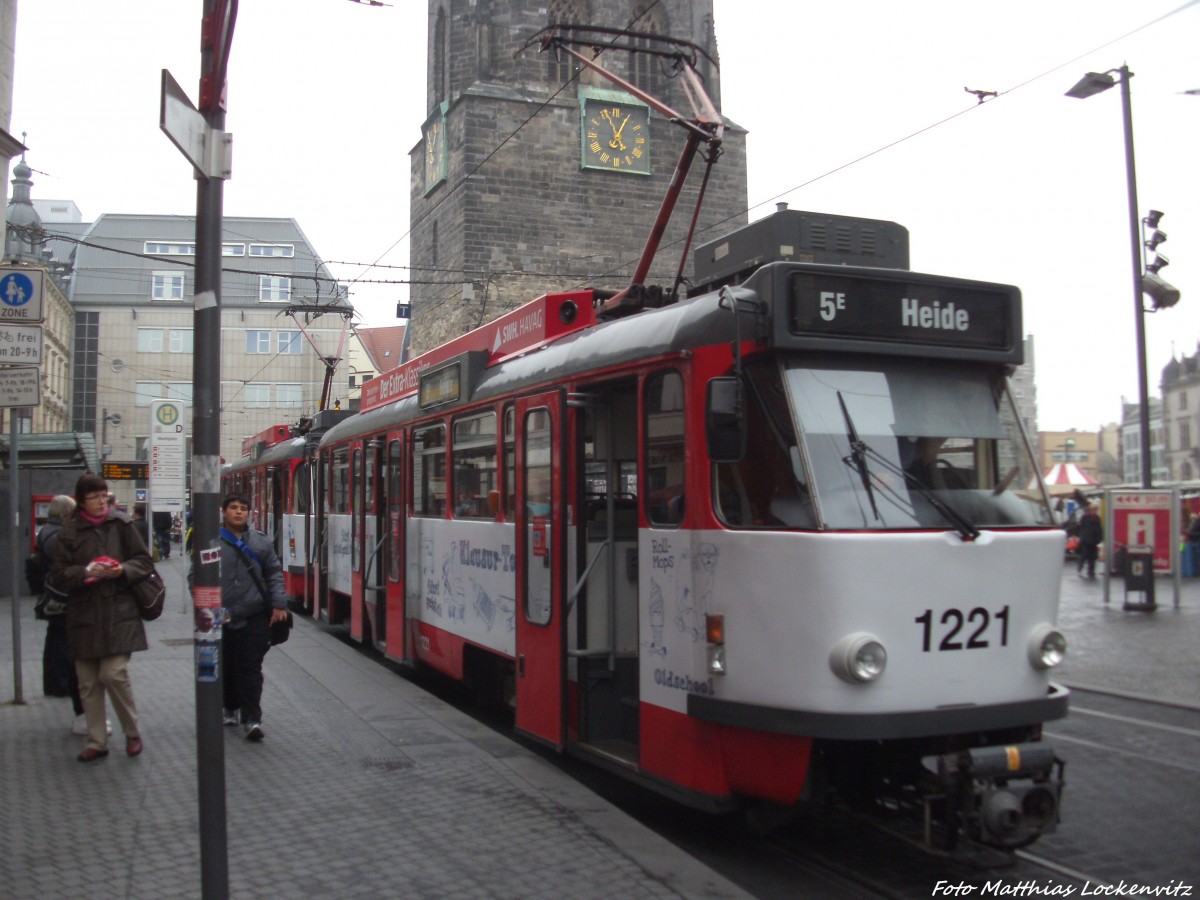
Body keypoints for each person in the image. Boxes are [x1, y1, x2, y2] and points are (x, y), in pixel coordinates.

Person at [50, 473, 154, 762]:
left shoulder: (121, 524)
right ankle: (97, 741)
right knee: (88, 682)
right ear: (81, 501)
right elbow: (58, 574)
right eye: (94, 496)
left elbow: (144, 561)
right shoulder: (69, 532)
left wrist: (122, 569)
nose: (100, 501)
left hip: (119, 614)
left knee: (113, 673)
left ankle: (132, 732)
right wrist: (85, 572)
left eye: (104, 495)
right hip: (84, 615)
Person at [219, 492, 289, 741]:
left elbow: (274, 573)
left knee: (250, 667)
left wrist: (279, 604)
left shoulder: (261, 542)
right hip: (221, 616)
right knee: (226, 665)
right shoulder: (211, 542)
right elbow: (196, 576)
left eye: (243, 508)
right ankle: (229, 706)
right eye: (234, 507)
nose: (239, 512)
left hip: (255, 614)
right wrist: (203, 606)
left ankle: (252, 719)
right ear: (224, 511)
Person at [35, 495, 99, 736]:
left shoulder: (48, 531)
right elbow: (64, 567)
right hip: (63, 598)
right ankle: (59, 683)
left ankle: (55, 682)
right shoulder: (57, 535)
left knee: (56, 639)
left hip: (56, 596)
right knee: (63, 642)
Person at [1076, 501, 1103, 579]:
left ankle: (1091, 571)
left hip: (1093, 541)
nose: (1094, 511)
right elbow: (1081, 528)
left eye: (1095, 510)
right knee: (1083, 556)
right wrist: (1081, 537)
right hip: (1086, 540)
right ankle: (1080, 569)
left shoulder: (1097, 518)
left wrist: (1099, 538)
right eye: (1093, 509)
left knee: (1093, 557)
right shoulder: (1085, 517)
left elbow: (1099, 529)